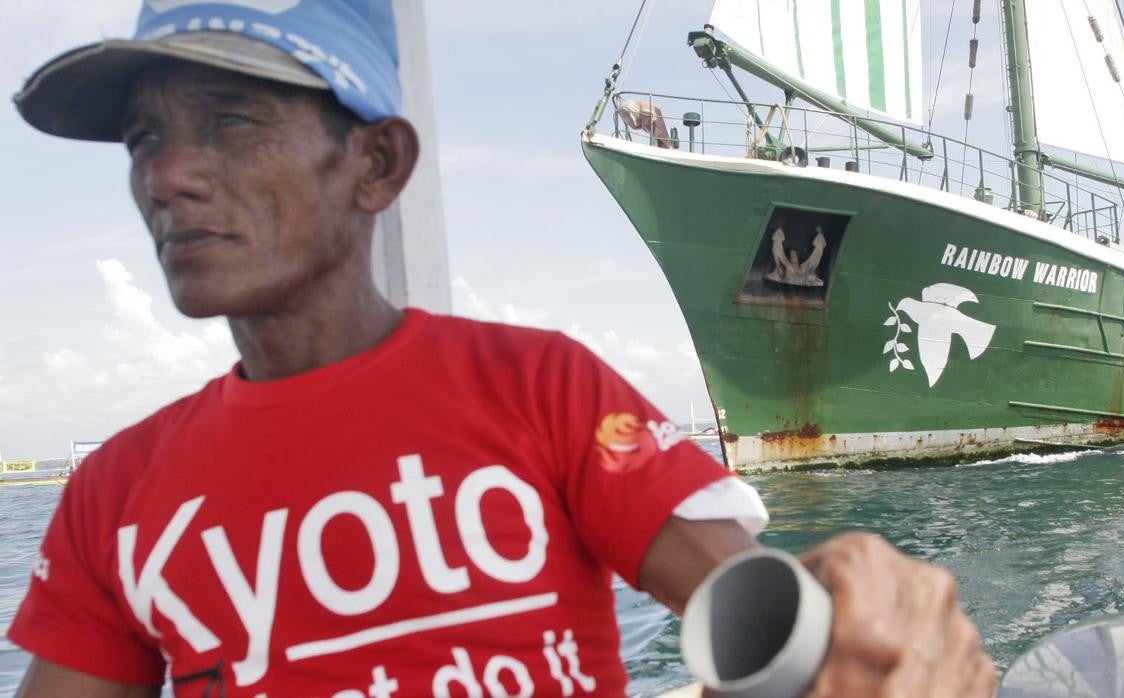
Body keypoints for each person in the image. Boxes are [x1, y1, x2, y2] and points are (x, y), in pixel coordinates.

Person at [9, 3, 996, 697]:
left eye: (232, 119)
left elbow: (756, 608)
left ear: (377, 163)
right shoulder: (111, 493)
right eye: (144, 138)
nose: (169, 174)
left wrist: (861, 618)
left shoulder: (539, 388)